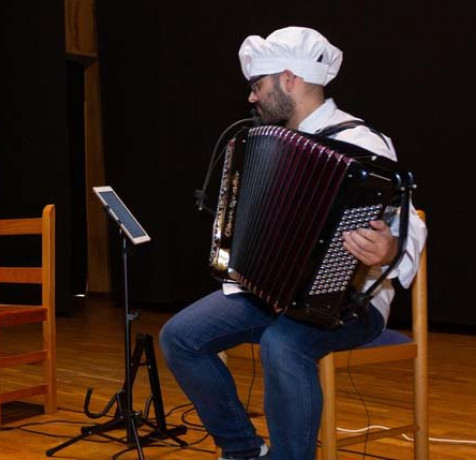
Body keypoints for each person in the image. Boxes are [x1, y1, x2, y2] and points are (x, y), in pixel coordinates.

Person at [158, 26, 427, 460]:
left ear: (289, 80)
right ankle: (245, 451)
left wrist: (390, 249)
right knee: (180, 337)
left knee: (282, 344)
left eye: (256, 86)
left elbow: (410, 222)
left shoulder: (360, 143)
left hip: (349, 302)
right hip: (271, 294)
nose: (251, 98)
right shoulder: (265, 142)